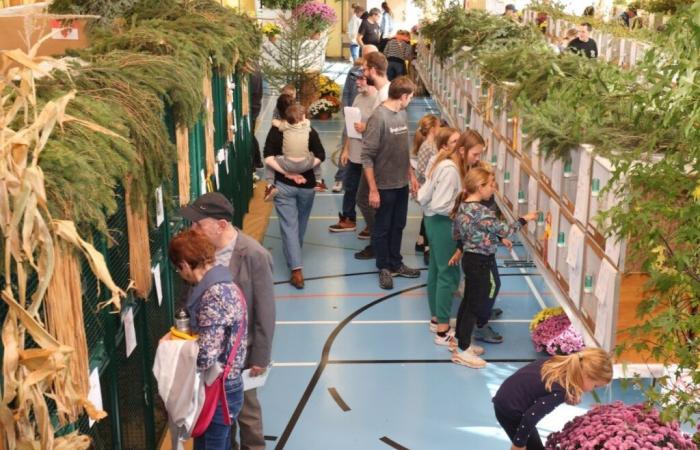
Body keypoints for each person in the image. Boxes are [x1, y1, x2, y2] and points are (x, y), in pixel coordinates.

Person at [178, 192, 275, 450]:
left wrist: (260, 358)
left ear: (221, 225)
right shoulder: (200, 250)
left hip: (240, 357)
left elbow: (265, 310)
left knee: (248, 415)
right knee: (218, 420)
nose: (193, 229)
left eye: (199, 224)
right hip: (209, 357)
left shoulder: (255, 255)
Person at [448, 166, 537, 367]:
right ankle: (463, 350)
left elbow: (459, 234)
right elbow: (506, 229)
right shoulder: (482, 212)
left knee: (468, 302)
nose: (493, 188)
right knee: (474, 304)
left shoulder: (463, 206)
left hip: (470, 259)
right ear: (480, 187)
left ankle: (461, 343)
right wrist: (525, 219)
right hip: (481, 262)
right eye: (491, 185)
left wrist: (487, 238)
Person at [168, 229, 248, 450]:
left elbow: (206, 356)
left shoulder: (214, 294)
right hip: (225, 386)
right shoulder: (226, 283)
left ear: (184, 264)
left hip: (219, 390)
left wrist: (175, 349)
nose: (180, 273)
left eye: (178, 268)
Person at [362, 76, 420, 289]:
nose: (411, 101)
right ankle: (384, 267)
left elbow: (402, 149)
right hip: (384, 186)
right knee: (383, 228)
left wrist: (410, 174)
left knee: (399, 225)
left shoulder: (402, 114)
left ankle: (396, 263)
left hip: (401, 183)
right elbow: (367, 156)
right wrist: (373, 190)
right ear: (403, 96)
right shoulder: (378, 118)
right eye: (411, 97)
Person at [493, 348, 613, 450]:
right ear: (586, 375)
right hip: (510, 411)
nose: (593, 389)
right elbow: (531, 416)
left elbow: (539, 386)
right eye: (595, 386)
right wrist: (518, 444)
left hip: (506, 396)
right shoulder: (560, 390)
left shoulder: (557, 362)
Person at [264, 94, 326, 289]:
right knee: (300, 222)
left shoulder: (276, 132)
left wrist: (288, 173)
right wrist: (303, 169)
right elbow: (321, 155)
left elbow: (268, 158)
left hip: (283, 186)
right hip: (307, 186)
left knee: (289, 225)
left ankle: (295, 265)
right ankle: (295, 262)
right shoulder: (310, 131)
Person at [416, 127, 463, 345]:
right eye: (454, 142)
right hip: (443, 222)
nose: (458, 145)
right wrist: (460, 211)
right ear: (445, 145)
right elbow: (442, 204)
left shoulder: (438, 161)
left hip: (431, 222)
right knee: (449, 274)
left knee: (436, 271)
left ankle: (436, 319)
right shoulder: (450, 169)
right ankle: (443, 332)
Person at [329, 68, 377, 233]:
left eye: (361, 79)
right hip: (354, 154)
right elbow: (351, 126)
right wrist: (346, 149)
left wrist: (366, 127)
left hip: (368, 156)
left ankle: (372, 225)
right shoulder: (358, 98)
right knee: (350, 186)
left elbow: (380, 128)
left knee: (367, 192)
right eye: (356, 79)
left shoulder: (377, 99)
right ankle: (348, 219)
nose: (357, 82)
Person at [354, 50, 390, 259]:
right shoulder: (384, 93)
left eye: (366, 69)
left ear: (374, 71)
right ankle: (378, 242)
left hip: (377, 160)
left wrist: (365, 128)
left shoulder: (384, 96)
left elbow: (381, 131)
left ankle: (378, 244)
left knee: (365, 199)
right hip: (375, 158)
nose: (363, 72)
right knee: (365, 200)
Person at [264, 104, 323, 202]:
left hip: (287, 165)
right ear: (303, 117)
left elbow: (275, 122)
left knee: (271, 159)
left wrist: (276, 122)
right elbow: (321, 155)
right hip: (306, 165)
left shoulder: (284, 127)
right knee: (314, 155)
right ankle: (319, 181)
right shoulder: (308, 126)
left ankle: (270, 185)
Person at [412, 114, 440, 260]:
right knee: (430, 217)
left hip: (431, 187)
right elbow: (422, 170)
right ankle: (427, 249)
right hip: (428, 188)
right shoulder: (426, 146)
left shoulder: (433, 144)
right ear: (433, 129)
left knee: (426, 216)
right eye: (439, 126)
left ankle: (420, 241)